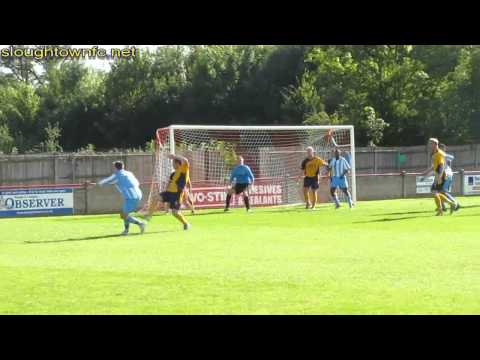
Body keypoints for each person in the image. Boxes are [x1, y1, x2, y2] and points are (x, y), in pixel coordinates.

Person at [94, 161, 146, 236]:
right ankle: (126, 231)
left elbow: (105, 181)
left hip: (131, 196)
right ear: (123, 166)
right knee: (125, 213)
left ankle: (140, 224)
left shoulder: (116, 175)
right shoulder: (129, 173)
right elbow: (136, 182)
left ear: (115, 167)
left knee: (123, 215)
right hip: (137, 193)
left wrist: (95, 184)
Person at [144, 154, 191, 230]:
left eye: (173, 163)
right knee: (155, 197)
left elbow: (186, 160)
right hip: (168, 192)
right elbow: (169, 183)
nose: (172, 165)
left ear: (178, 163)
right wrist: (165, 191)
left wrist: (174, 156)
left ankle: (186, 223)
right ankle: (148, 216)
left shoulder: (184, 169)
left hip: (177, 194)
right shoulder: (173, 174)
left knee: (175, 213)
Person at [422, 138, 458, 216]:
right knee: (436, 192)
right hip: (438, 175)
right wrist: (427, 173)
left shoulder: (439, 153)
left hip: (442, 175)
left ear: (435, 144)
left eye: (430, 143)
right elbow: (435, 166)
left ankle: (442, 209)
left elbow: (441, 166)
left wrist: (439, 177)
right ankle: (448, 205)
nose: (429, 145)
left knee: (436, 192)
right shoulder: (434, 153)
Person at [438, 143, 460, 213]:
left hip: (446, 175)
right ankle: (443, 207)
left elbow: (452, 157)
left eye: (441, 148)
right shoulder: (440, 155)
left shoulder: (442, 155)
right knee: (440, 192)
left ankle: (455, 203)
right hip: (445, 174)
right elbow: (450, 161)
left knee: (442, 192)